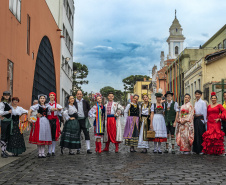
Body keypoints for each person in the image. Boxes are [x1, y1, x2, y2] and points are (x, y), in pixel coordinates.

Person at [47, 92, 62, 157]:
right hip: (48, 121)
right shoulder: (47, 105)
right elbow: (45, 111)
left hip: (55, 121)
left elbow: (61, 111)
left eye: (53, 95)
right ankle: (48, 151)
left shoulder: (57, 105)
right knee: (48, 136)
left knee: (54, 136)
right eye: (51, 95)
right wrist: (50, 110)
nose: (52, 96)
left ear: (55, 97)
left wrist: (58, 110)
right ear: (49, 96)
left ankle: (53, 150)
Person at [193, 90, 207, 155]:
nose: (197, 95)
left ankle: (201, 149)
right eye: (196, 94)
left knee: (200, 134)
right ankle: (196, 149)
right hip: (195, 119)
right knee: (196, 134)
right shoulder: (195, 102)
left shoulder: (203, 102)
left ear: (201, 95)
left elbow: (204, 112)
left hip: (200, 119)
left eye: (198, 94)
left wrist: (204, 121)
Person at [0, 91, 12, 158]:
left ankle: (5, 150)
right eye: (5, 95)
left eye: (8, 95)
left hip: (9, 121)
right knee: (3, 136)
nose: (7, 96)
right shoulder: (2, 103)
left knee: (7, 136)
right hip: (4, 121)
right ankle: (3, 152)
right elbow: (0, 112)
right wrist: (7, 112)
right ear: (3, 96)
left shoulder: (9, 103)